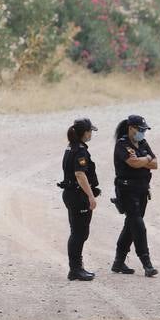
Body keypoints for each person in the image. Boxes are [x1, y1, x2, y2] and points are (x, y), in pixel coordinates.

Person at [112, 114, 159, 277]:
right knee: (138, 226)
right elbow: (133, 163)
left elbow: (155, 163)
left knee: (130, 225)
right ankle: (147, 263)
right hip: (127, 190)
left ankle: (118, 262)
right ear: (131, 128)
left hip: (142, 190)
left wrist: (143, 159)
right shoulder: (122, 144)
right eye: (140, 130)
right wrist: (145, 159)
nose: (142, 133)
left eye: (144, 130)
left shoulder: (142, 143)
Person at [59, 117, 100, 281]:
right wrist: (90, 196)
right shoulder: (80, 150)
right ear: (85, 133)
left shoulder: (71, 147)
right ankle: (75, 269)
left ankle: (77, 268)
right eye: (90, 131)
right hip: (77, 195)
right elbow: (80, 174)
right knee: (79, 233)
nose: (92, 134)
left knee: (78, 232)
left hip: (71, 194)